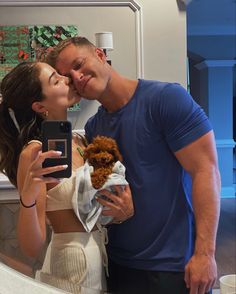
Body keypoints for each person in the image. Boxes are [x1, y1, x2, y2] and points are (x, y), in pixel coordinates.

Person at [46, 36, 221, 294]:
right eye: (68, 77)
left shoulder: (166, 99)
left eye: (79, 64)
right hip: (117, 264)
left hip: (171, 264)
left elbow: (207, 171)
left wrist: (205, 255)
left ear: (99, 54)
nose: (77, 76)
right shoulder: (94, 127)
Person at [0, 61, 134, 293]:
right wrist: (29, 195)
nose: (67, 80)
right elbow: (32, 247)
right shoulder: (34, 152)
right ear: (40, 106)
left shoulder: (82, 142)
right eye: (56, 80)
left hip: (99, 261)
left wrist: (122, 212)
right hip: (69, 268)